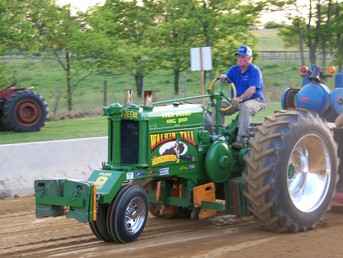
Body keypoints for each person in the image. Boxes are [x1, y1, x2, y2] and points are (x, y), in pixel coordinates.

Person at [220, 45, 265, 148]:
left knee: (245, 107)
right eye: (239, 56)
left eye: (243, 57)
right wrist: (224, 77)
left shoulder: (254, 71)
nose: (240, 59)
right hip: (237, 101)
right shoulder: (234, 70)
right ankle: (217, 135)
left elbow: (252, 90)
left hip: (256, 100)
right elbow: (227, 79)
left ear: (250, 58)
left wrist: (240, 99)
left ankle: (241, 140)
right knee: (217, 105)